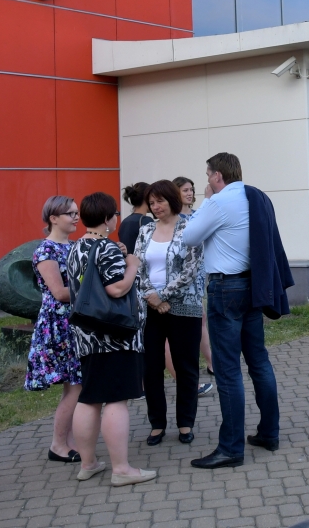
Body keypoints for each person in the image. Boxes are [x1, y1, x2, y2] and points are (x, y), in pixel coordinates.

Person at [182, 153, 293, 469]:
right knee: (258, 361)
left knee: (228, 369)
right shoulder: (255, 196)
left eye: (208, 174)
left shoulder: (217, 201)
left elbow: (189, 236)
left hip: (225, 289)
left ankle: (230, 448)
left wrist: (206, 201)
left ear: (217, 175)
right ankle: (269, 433)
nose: (206, 181)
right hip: (252, 286)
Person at [67, 191, 155, 486]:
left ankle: (88, 464)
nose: (117, 218)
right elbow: (116, 288)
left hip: (87, 335)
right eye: (115, 214)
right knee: (116, 400)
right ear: (107, 218)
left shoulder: (76, 247)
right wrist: (133, 265)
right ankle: (121, 469)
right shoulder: (106, 248)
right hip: (115, 335)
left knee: (89, 398)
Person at [136, 180, 204, 447]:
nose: (155, 207)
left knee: (186, 367)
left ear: (172, 199)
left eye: (160, 201)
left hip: (184, 307)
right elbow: (137, 266)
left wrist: (162, 296)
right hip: (150, 308)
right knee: (151, 368)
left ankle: (186, 423)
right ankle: (157, 424)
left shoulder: (190, 228)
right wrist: (152, 297)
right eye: (151, 203)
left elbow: (191, 270)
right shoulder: (145, 229)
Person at [25, 195, 83, 464]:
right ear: (53, 218)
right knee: (75, 386)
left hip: (74, 322)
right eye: (70, 213)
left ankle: (68, 442)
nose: (76, 217)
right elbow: (59, 293)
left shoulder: (73, 246)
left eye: (76, 212)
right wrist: (92, 291)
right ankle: (58, 444)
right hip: (59, 326)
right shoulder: (46, 251)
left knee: (76, 385)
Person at [118, 182, 152, 257]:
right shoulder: (146, 221)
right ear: (147, 198)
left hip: (126, 262)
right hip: (139, 262)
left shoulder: (124, 222)